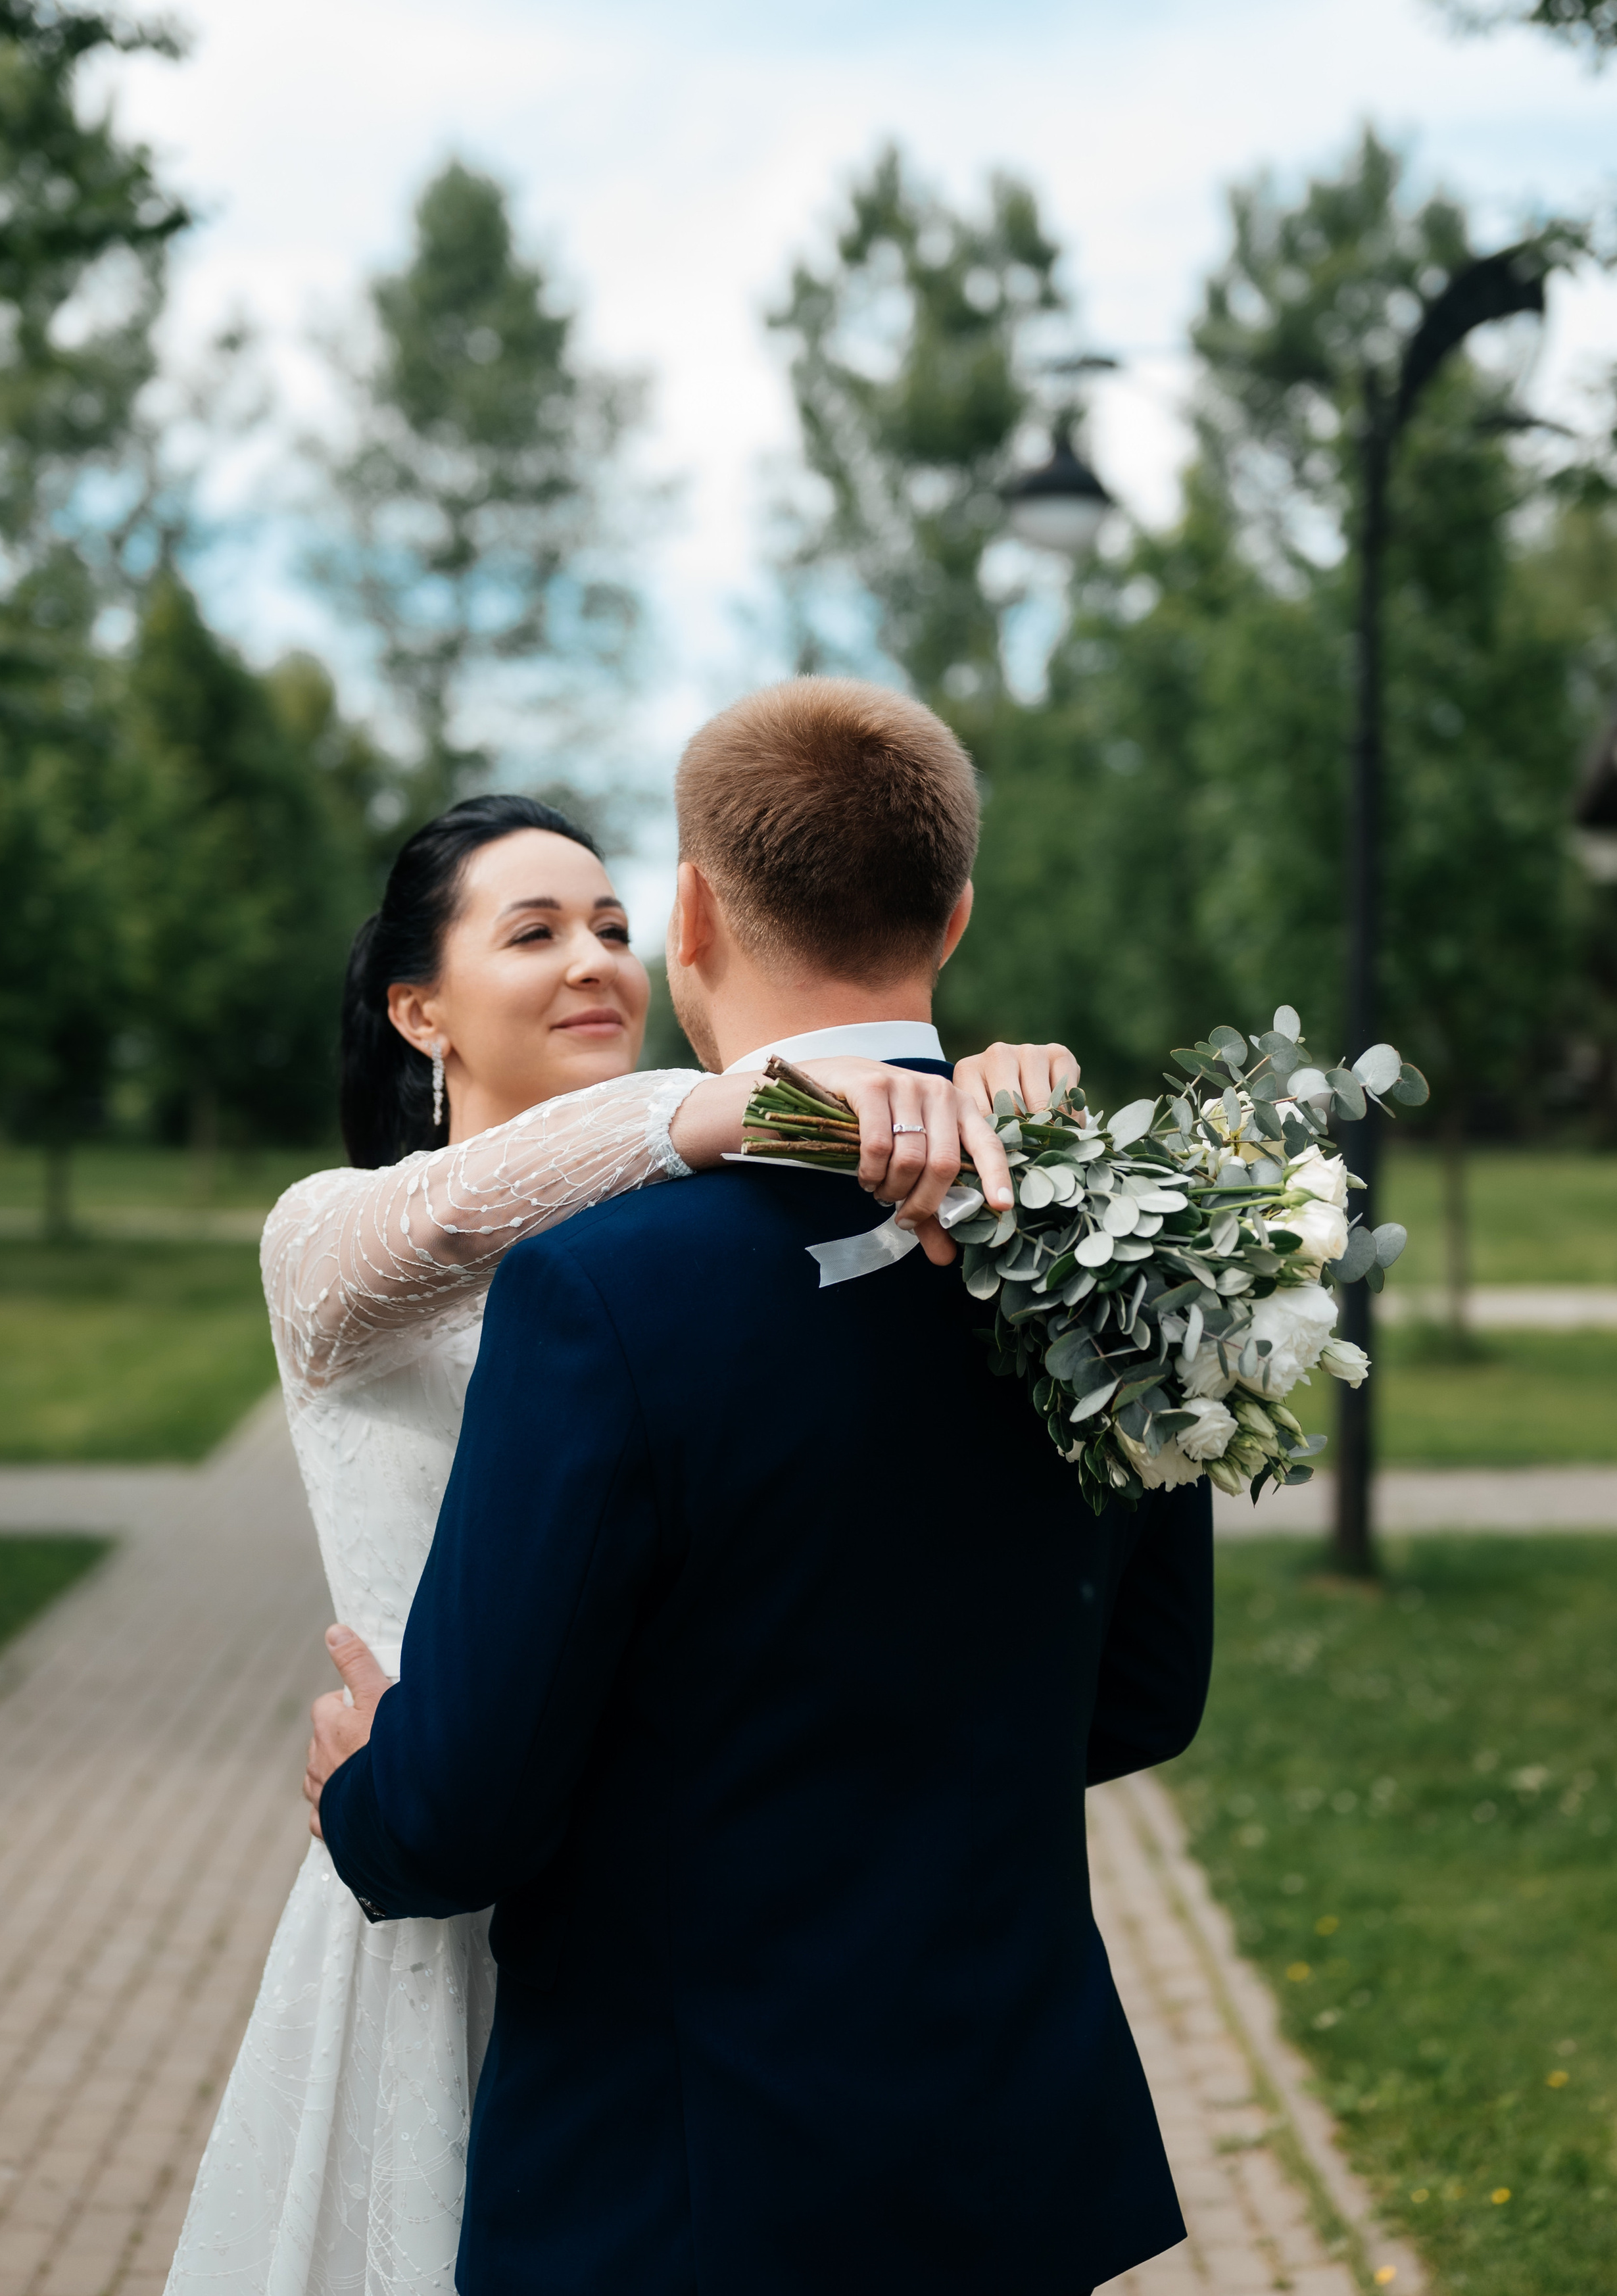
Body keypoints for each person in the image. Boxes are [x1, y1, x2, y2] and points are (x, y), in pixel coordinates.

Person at [310, 683, 1214, 2296]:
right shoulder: (1115, 1251)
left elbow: (459, 1815)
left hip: (691, 2191)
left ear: (693, 914)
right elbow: (1143, 1694)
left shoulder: (603, 1294)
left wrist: (367, 1781)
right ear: (952, 915)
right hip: (1009, 2160)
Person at [166, 787, 1073, 2296]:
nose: (595, 960)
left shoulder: (698, 1217)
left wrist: (963, 1097)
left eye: (611, 924)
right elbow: (465, 1219)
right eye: (532, 933)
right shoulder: (326, 1235)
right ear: (416, 1010)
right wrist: (777, 1089)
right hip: (427, 1851)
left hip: (653, 1903)